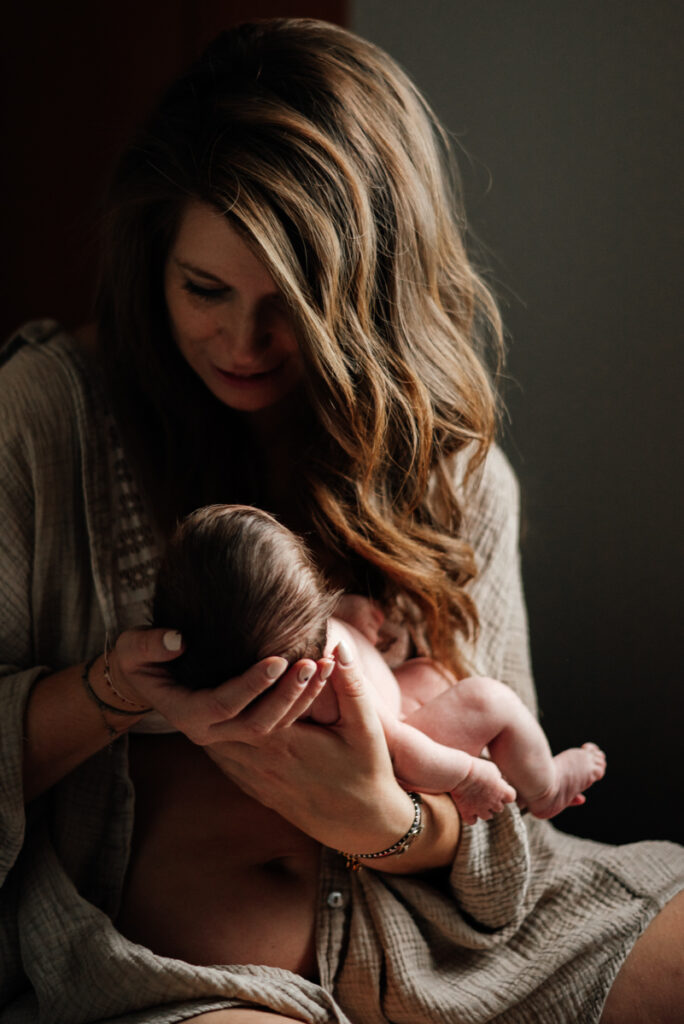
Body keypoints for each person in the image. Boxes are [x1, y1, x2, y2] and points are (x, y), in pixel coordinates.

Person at [0, 17, 682, 1024]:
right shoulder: (44, 416)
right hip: (194, 977)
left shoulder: (456, 472)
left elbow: (509, 845)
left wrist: (387, 819)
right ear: (154, 260)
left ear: (370, 295)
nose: (241, 339)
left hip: (457, 946)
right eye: (204, 289)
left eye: (293, 300)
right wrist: (108, 692)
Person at [153, 503, 606, 826]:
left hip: (395, 703)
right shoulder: (324, 686)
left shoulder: (252, 639)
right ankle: (545, 789)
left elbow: (297, 620)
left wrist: (349, 621)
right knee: (488, 699)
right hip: (397, 760)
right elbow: (398, 750)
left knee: (431, 672)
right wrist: (469, 778)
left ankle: (503, 760)